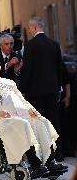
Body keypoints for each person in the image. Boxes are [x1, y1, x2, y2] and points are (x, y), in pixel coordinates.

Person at [0, 58, 68, 180]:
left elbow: (22, 100)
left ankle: (50, 161)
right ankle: (35, 164)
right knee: (23, 124)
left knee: (41, 121)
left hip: (20, 115)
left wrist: (31, 109)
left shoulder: (8, 83)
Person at [20, 16, 63, 161]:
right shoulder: (54, 44)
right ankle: (58, 153)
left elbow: (28, 70)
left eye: (30, 28)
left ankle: (46, 155)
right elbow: (59, 69)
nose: (30, 31)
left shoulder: (30, 46)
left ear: (34, 28)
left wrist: (22, 89)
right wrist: (59, 88)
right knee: (54, 121)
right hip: (52, 90)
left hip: (36, 93)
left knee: (40, 124)